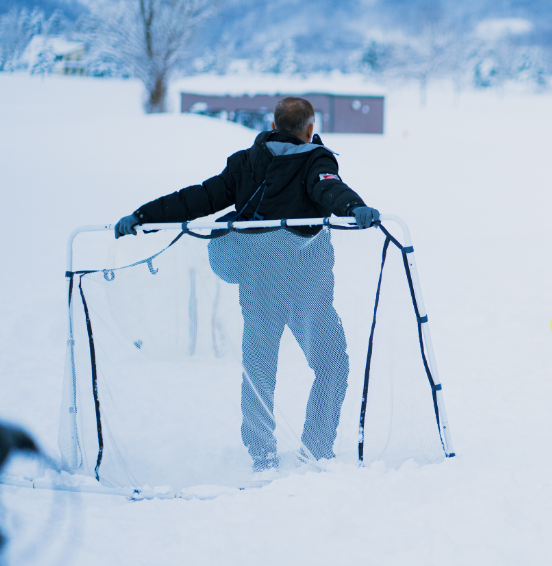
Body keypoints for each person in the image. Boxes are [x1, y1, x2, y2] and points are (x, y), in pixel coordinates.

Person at [112, 97, 381, 471]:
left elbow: (198, 198)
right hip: (307, 288)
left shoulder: (246, 161)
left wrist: (144, 215)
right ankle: (316, 450)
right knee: (332, 363)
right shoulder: (316, 160)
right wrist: (354, 208)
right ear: (309, 128)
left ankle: (263, 455)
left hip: (259, 285)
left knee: (259, 369)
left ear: (273, 124)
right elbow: (329, 189)